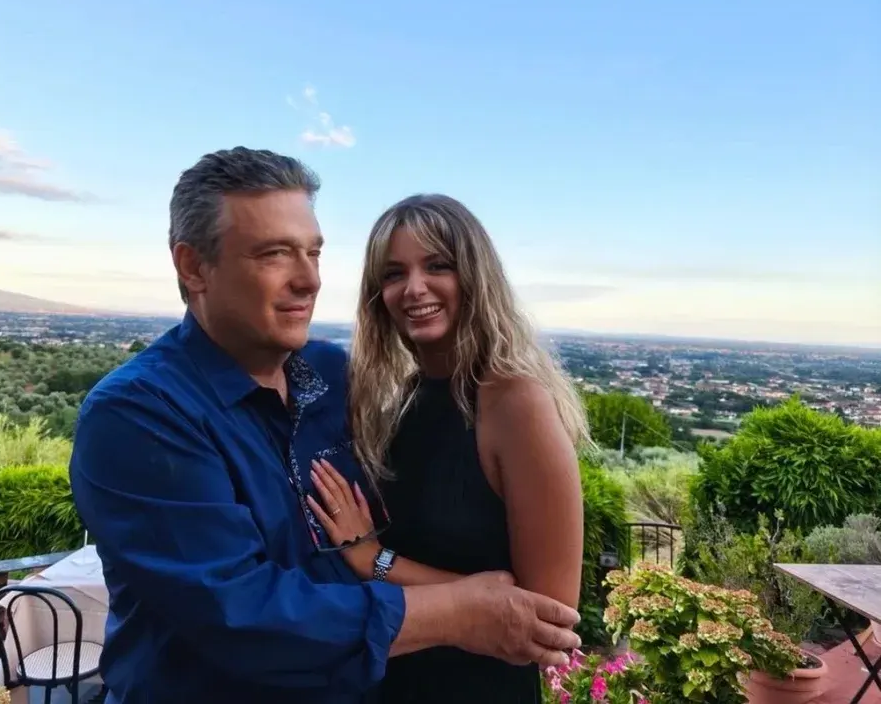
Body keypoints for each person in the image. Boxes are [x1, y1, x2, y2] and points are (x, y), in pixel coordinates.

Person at [68, 148, 582, 704]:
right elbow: (240, 614)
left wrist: (379, 561)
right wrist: (457, 610)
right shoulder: (140, 414)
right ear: (194, 267)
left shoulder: (333, 378)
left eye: (313, 252)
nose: (309, 279)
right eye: (274, 254)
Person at [307, 193, 587, 703]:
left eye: (437, 265)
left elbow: (547, 617)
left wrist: (374, 559)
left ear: (475, 277)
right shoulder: (406, 400)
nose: (414, 288)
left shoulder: (515, 403)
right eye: (394, 274)